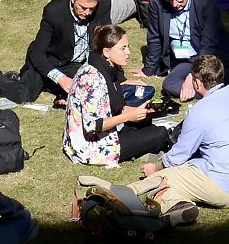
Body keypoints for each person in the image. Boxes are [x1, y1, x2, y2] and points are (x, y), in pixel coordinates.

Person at [130, 55, 229, 221]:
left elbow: (179, 156)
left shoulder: (200, 110)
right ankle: (176, 204)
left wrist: (155, 168)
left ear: (197, 83)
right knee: (178, 180)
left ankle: (123, 195)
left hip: (225, 186)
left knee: (164, 177)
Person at [66, 23, 170, 169]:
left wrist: (133, 111)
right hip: (91, 145)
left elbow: (110, 106)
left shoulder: (105, 67)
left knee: (147, 121)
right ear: (107, 52)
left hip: (108, 129)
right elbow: (92, 126)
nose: (128, 52)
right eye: (123, 48)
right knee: (160, 134)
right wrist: (128, 116)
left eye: (128, 47)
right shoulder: (92, 79)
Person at [23, 0, 105, 108]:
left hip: (78, 64)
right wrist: (60, 78)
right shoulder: (54, 11)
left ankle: (61, 92)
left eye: (92, 9)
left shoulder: (104, 3)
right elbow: (37, 52)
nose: (88, 12)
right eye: (83, 8)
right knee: (25, 93)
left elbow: (107, 42)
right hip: (55, 60)